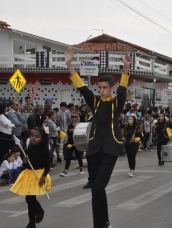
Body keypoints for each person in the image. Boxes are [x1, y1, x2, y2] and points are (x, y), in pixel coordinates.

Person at [65, 47, 132, 228]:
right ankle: (100, 224)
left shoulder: (117, 102)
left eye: (105, 88)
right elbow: (81, 87)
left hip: (110, 150)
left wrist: (125, 69)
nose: (101, 91)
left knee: (98, 187)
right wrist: (69, 64)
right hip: (94, 150)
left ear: (111, 88)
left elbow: (123, 90)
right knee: (95, 190)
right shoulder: (95, 102)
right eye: (100, 88)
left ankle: (104, 223)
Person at [10, 128, 52, 228]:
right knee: (29, 199)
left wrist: (43, 176)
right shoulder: (29, 149)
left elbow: (47, 165)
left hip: (39, 174)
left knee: (29, 198)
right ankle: (32, 222)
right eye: (32, 136)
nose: (33, 138)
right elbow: (26, 166)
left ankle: (39, 212)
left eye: (37, 137)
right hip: (29, 174)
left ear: (42, 139)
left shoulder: (45, 150)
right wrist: (24, 161)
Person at [60, 112, 84, 177]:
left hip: (77, 143)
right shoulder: (70, 126)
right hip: (70, 143)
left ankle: (81, 168)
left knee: (79, 156)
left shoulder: (79, 125)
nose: (73, 118)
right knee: (68, 157)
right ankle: (65, 170)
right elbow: (68, 135)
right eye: (72, 117)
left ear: (77, 117)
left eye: (75, 117)